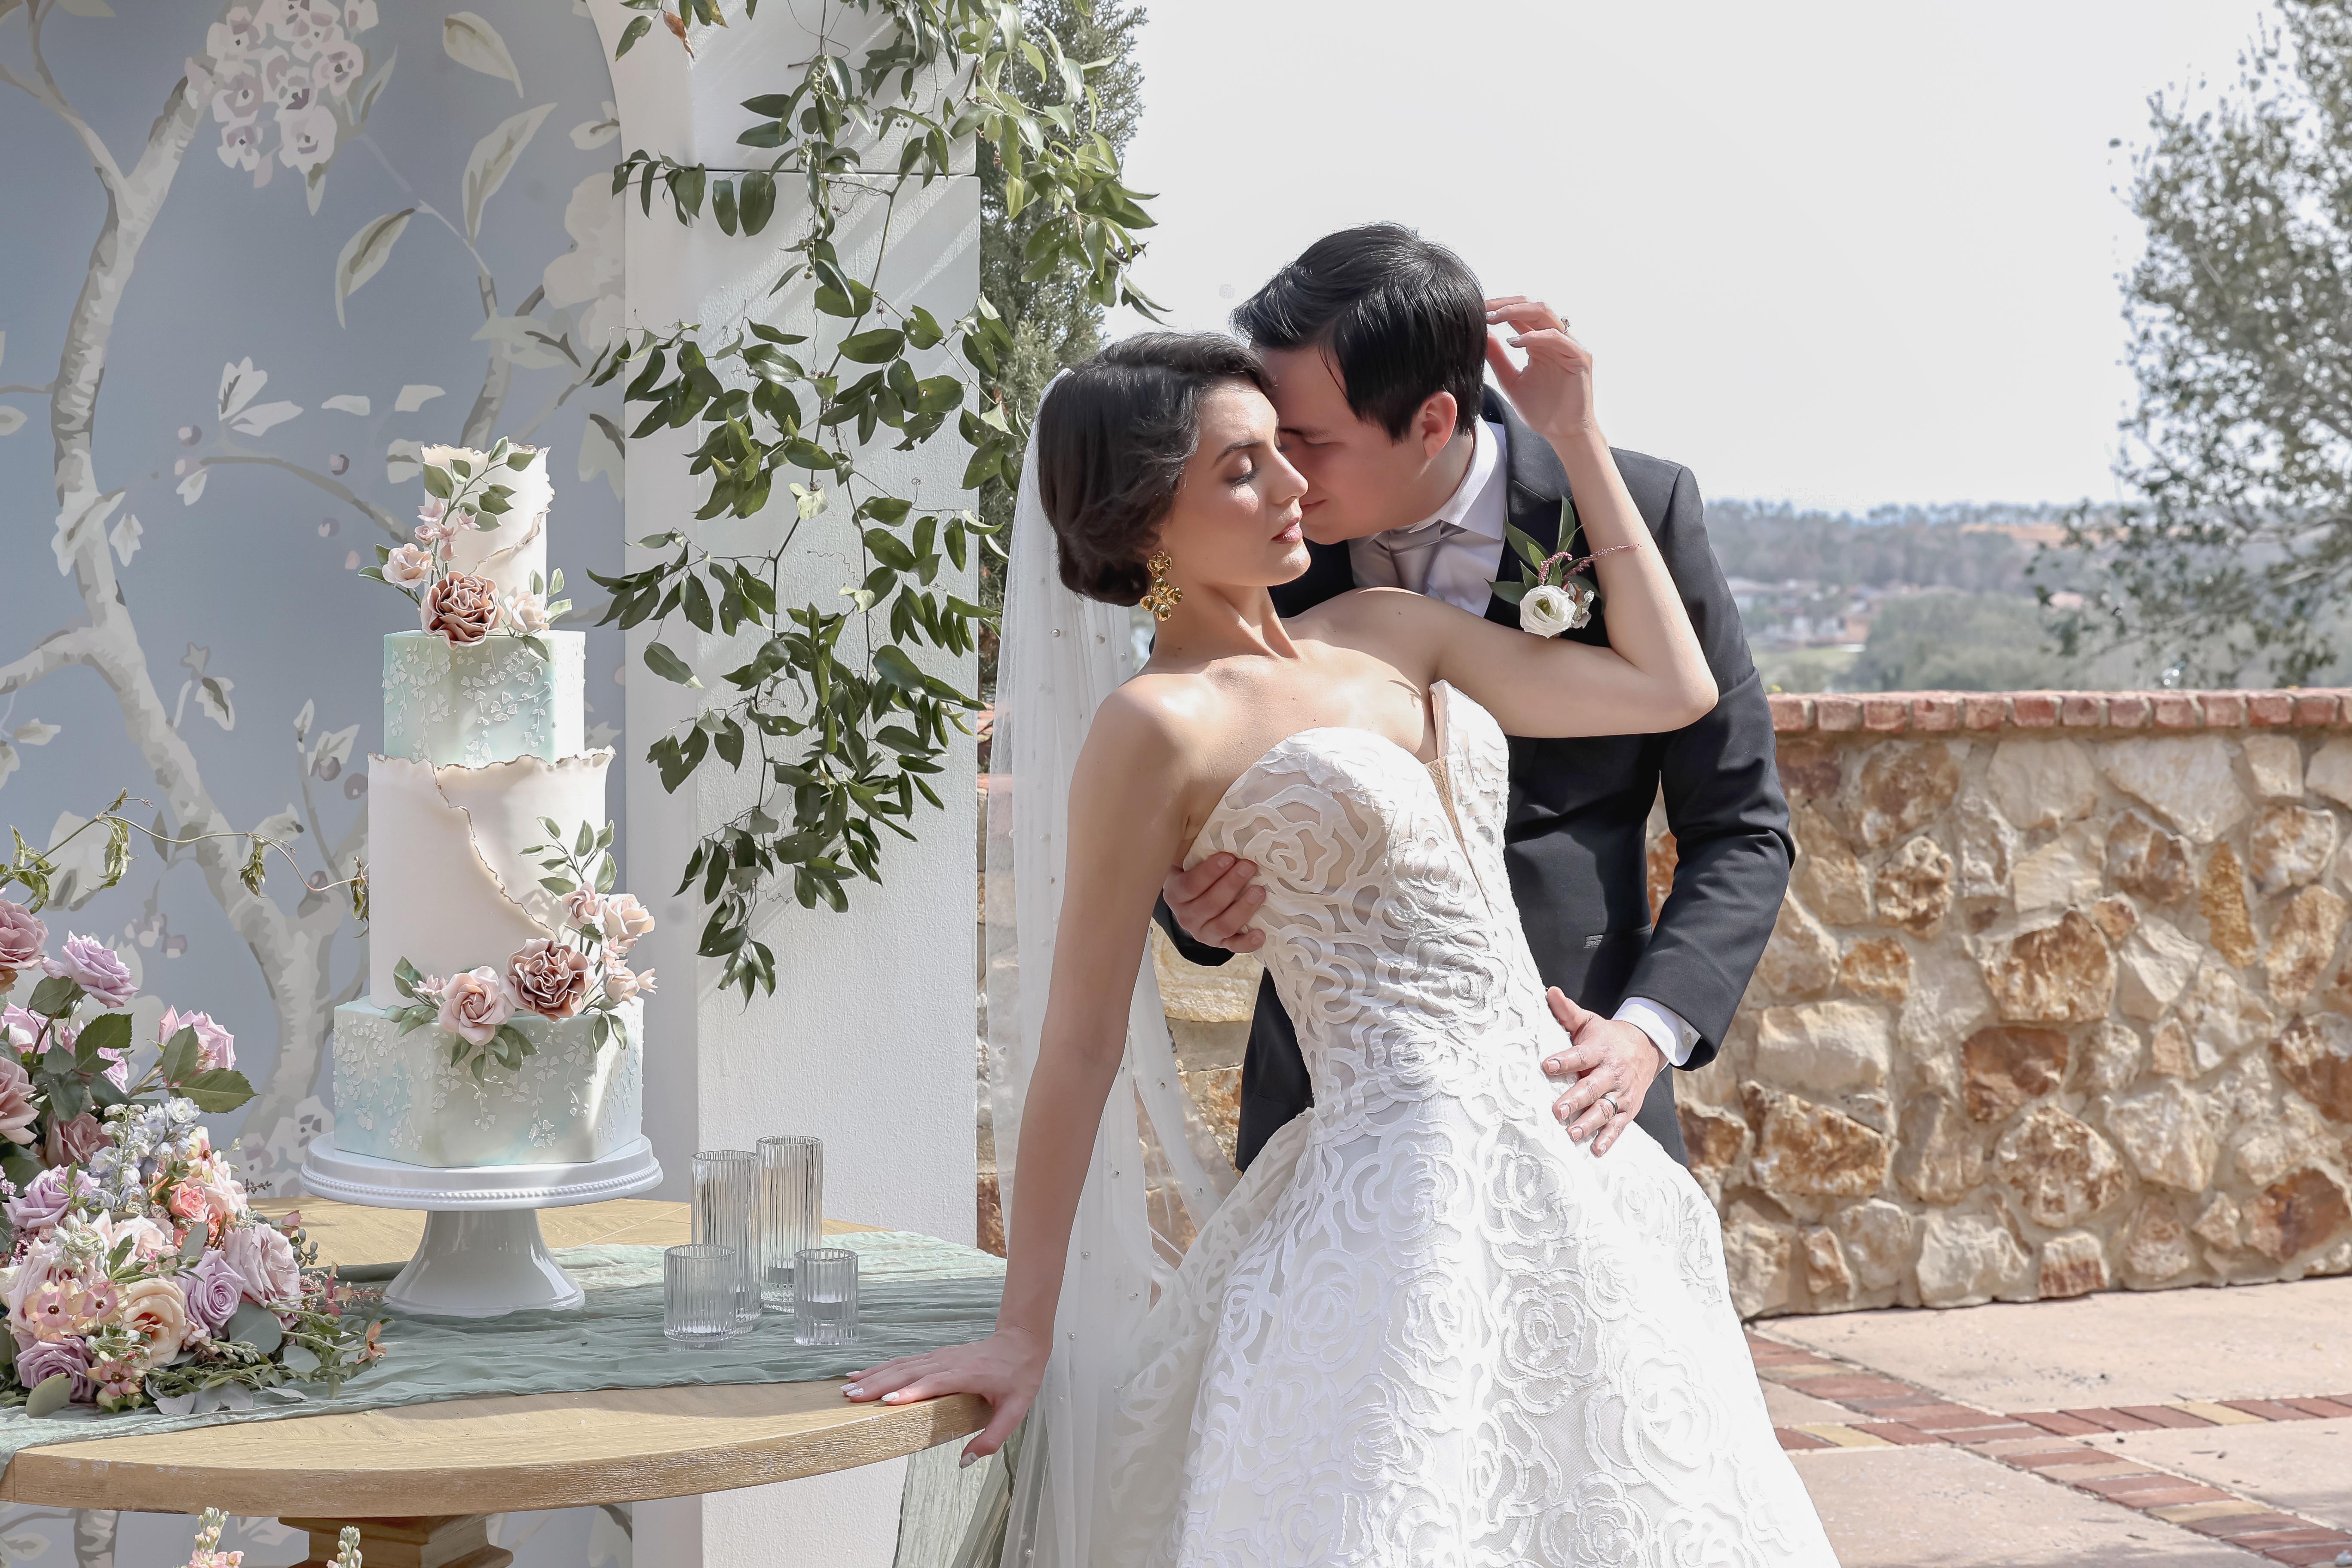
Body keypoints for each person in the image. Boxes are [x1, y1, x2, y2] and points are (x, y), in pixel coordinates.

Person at [843, 324, 1837, 1565]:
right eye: (1243, 468)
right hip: (1393, 1197)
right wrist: (1022, 1328)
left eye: (1283, 451)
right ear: (1146, 518)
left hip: (1575, 1159)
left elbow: (1670, 689)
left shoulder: (1386, 626)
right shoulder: (1155, 727)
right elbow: (1082, 1042)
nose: (1294, 485)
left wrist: (1577, 438)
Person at [1161, 224, 1793, 1172]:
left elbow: (1742, 825)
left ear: (1430, 422)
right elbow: (1186, 761)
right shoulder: (1256, 541)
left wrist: (1645, 1032)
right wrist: (1190, 906)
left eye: (1310, 442)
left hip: (1574, 1080)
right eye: (1267, 439)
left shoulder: (1635, 513)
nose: (1282, 474)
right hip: (1330, 1104)